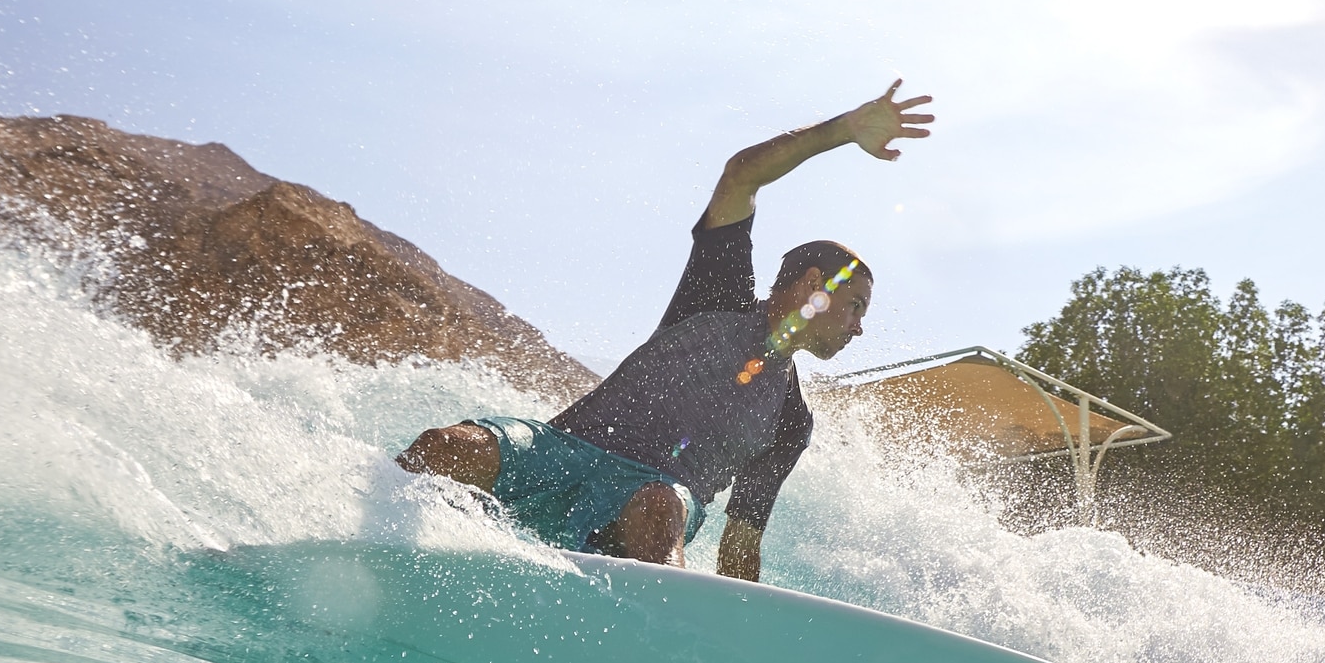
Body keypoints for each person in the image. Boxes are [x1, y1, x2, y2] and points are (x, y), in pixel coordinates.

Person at [398, 82, 934, 581]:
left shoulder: (791, 420)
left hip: (644, 511)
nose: (860, 327)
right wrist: (841, 130)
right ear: (815, 285)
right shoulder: (716, 296)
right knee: (445, 446)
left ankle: (658, 632)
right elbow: (740, 178)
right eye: (856, 306)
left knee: (658, 505)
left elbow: (741, 544)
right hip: (560, 455)